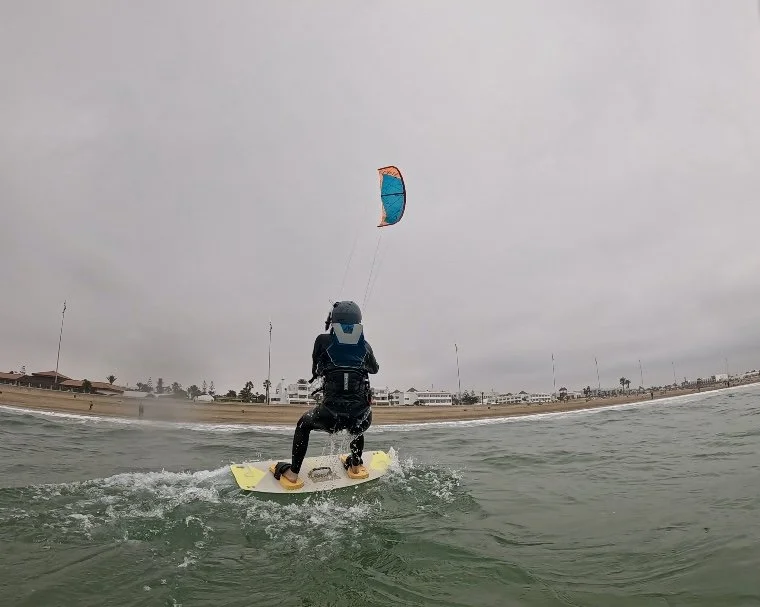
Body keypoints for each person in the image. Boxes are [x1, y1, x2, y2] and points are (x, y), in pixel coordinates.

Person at [272, 301, 379, 489]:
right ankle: (355, 465)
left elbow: (317, 370)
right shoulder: (366, 346)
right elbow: (375, 369)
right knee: (358, 424)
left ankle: (293, 473)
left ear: (333, 321)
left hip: (330, 416)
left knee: (303, 424)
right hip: (361, 416)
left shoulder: (323, 340)